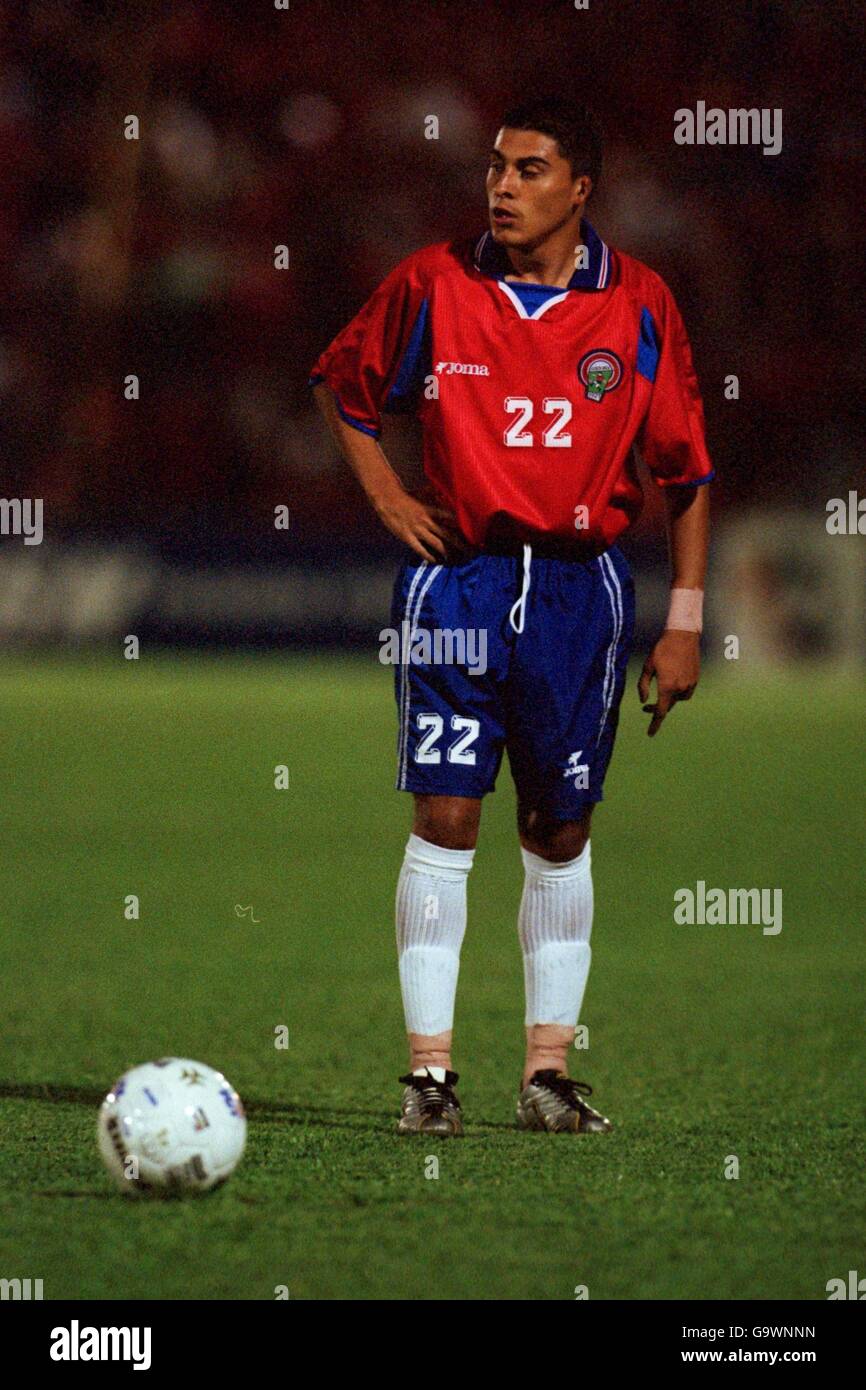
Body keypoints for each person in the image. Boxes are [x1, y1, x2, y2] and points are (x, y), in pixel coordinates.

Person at [310, 96, 713, 1137]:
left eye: (529, 169)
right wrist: (391, 498)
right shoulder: (434, 281)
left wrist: (683, 621)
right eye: (495, 166)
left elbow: (685, 471)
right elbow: (342, 386)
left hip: (582, 590)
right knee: (444, 814)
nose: (501, 185)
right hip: (459, 582)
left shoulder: (637, 303)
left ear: (579, 189)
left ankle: (545, 1074)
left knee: (558, 826)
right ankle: (428, 1077)